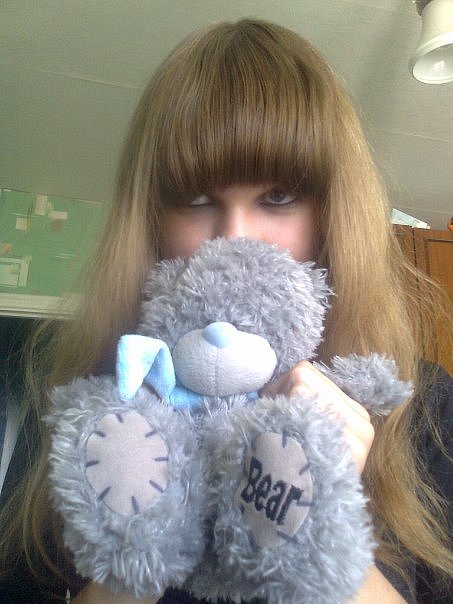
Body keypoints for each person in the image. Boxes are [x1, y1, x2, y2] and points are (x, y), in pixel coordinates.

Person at [0, 18, 452, 604]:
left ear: (333, 213)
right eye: (196, 198)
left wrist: (317, 516)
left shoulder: (426, 410)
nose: (234, 236)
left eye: (278, 197)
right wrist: (132, 534)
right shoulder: (81, 406)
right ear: (152, 219)